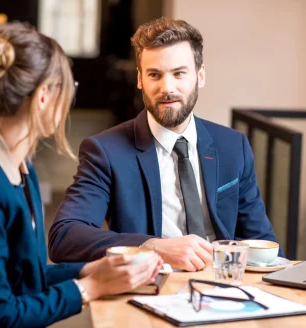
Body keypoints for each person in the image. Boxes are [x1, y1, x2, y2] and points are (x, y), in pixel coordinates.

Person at [0, 24, 162, 328]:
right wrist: (92, 287)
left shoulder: (19, 166)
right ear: (43, 96)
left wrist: (92, 270)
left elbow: (26, 278)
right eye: (69, 87)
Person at [48, 17, 282, 272]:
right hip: (152, 288)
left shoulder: (233, 146)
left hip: (226, 288)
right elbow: (65, 237)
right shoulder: (106, 151)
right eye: (154, 75)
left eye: (179, 73)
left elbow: (263, 243)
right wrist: (152, 247)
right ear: (140, 80)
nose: (167, 88)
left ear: (200, 76)